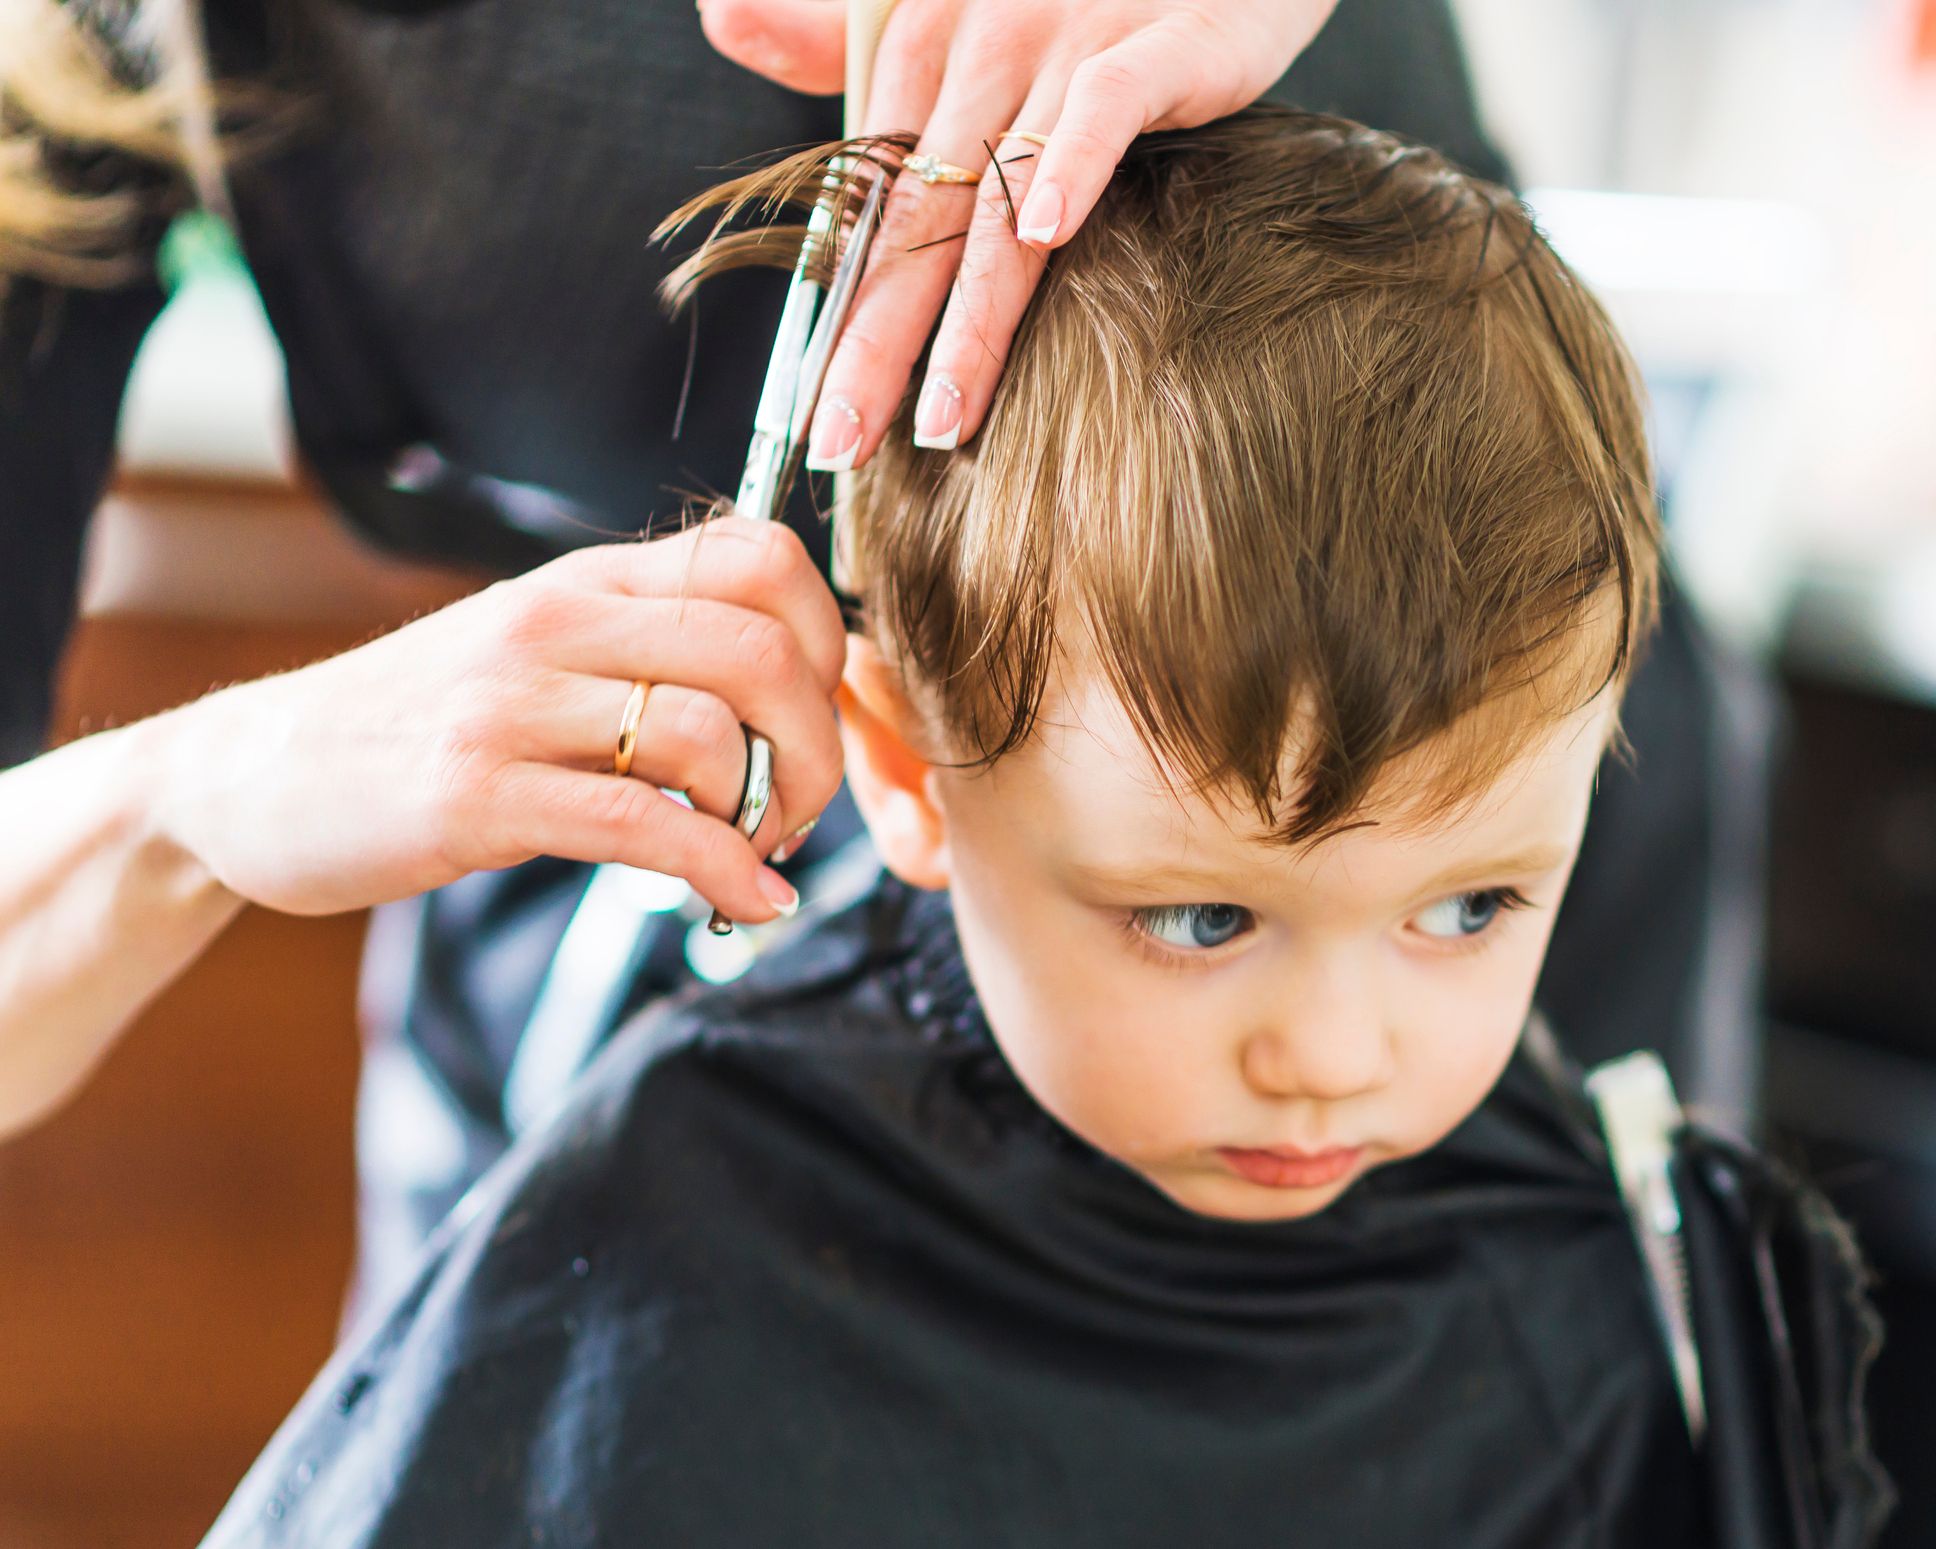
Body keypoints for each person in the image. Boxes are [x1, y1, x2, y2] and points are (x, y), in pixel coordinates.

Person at [194, 110, 1887, 1548]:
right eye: (1203, 920)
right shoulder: (676, 1237)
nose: (1337, 1053)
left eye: (1471, 906)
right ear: (910, 775)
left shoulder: (1599, 1287)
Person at [0, 0, 1761, 1302]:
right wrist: (190, 792)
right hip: (646, 904)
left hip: (1493, 845)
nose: (1327, 1051)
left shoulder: (1425, 974)